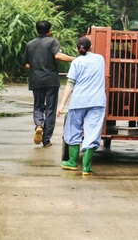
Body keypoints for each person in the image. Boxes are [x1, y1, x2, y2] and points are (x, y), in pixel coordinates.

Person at [57, 36, 106, 176]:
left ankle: (72, 162)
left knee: (73, 130)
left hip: (78, 101)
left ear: (76, 49)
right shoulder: (100, 59)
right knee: (92, 131)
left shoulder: (76, 62)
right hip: (97, 102)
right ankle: (86, 167)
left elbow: (70, 84)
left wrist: (61, 105)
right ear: (91, 47)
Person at [23, 20, 75, 147]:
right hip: (51, 80)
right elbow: (58, 56)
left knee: (38, 105)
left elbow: (27, 64)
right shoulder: (53, 41)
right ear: (49, 30)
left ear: (36, 30)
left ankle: (39, 124)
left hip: (36, 79)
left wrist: (36, 66)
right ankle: (46, 140)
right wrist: (75, 59)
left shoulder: (30, 44)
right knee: (51, 109)